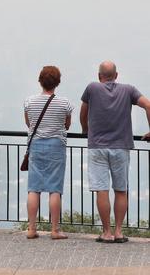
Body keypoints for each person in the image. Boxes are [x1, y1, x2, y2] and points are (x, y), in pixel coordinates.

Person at [80, 61, 150, 243]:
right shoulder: (128, 90)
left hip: (98, 147)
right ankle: (119, 232)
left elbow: (83, 112)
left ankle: (107, 233)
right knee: (121, 190)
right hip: (121, 147)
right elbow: (148, 105)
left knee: (101, 190)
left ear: (99, 75)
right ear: (116, 75)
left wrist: (84, 129)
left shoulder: (92, 88)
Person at [24, 65, 72, 240]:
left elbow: (29, 124)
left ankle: (31, 229)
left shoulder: (29, 101)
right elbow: (67, 125)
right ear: (57, 82)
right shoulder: (65, 103)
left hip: (36, 145)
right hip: (56, 146)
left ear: (40, 81)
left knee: (34, 188)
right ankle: (55, 230)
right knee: (54, 189)